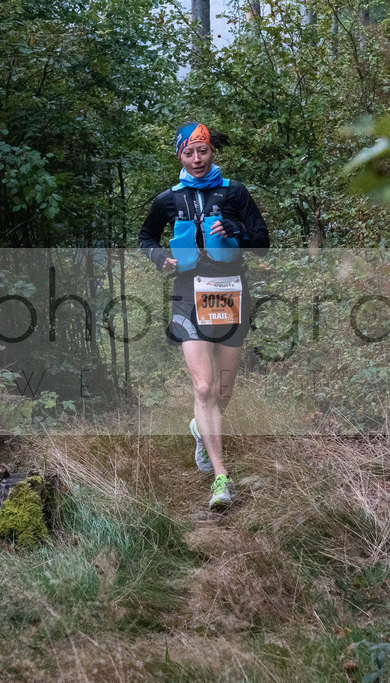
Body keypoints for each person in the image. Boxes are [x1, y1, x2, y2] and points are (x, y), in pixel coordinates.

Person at [138, 121, 270, 511]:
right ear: (179, 155)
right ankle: (221, 479)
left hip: (230, 293)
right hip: (186, 296)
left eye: (203, 151)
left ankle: (200, 429)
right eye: (189, 153)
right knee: (203, 388)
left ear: (213, 152)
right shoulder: (167, 199)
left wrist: (237, 229)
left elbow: (261, 242)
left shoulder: (235, 192)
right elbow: (146, 237)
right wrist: (160, 257)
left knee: (223, 393)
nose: (197, 159)